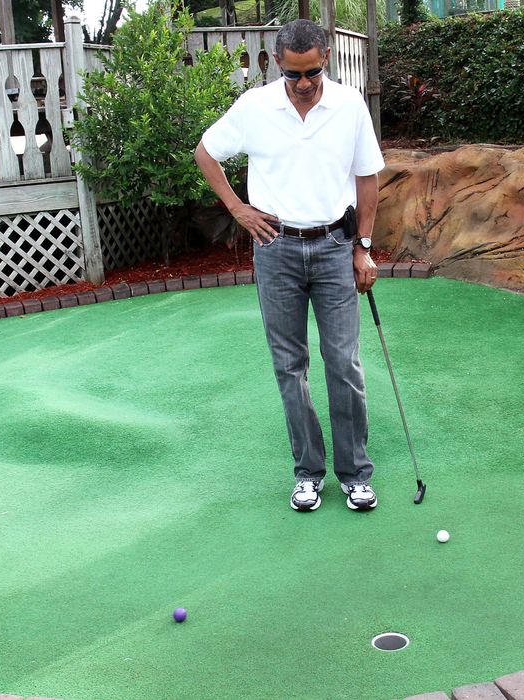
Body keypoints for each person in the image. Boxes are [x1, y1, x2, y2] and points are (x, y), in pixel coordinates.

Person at [194, 19, 385, 512]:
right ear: (277, 63)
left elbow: (368, 178)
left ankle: (355, 472)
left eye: (314, 72)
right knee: (289, 365)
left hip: (333, 247)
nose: (304, 84)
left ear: (326, 59)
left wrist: (363, 247)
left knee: (343, 362)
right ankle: (308, 472)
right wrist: (238, 210)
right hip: (276, 248)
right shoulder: (254, 107)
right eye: (295, 74)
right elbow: (205, 152)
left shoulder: (349, 106)